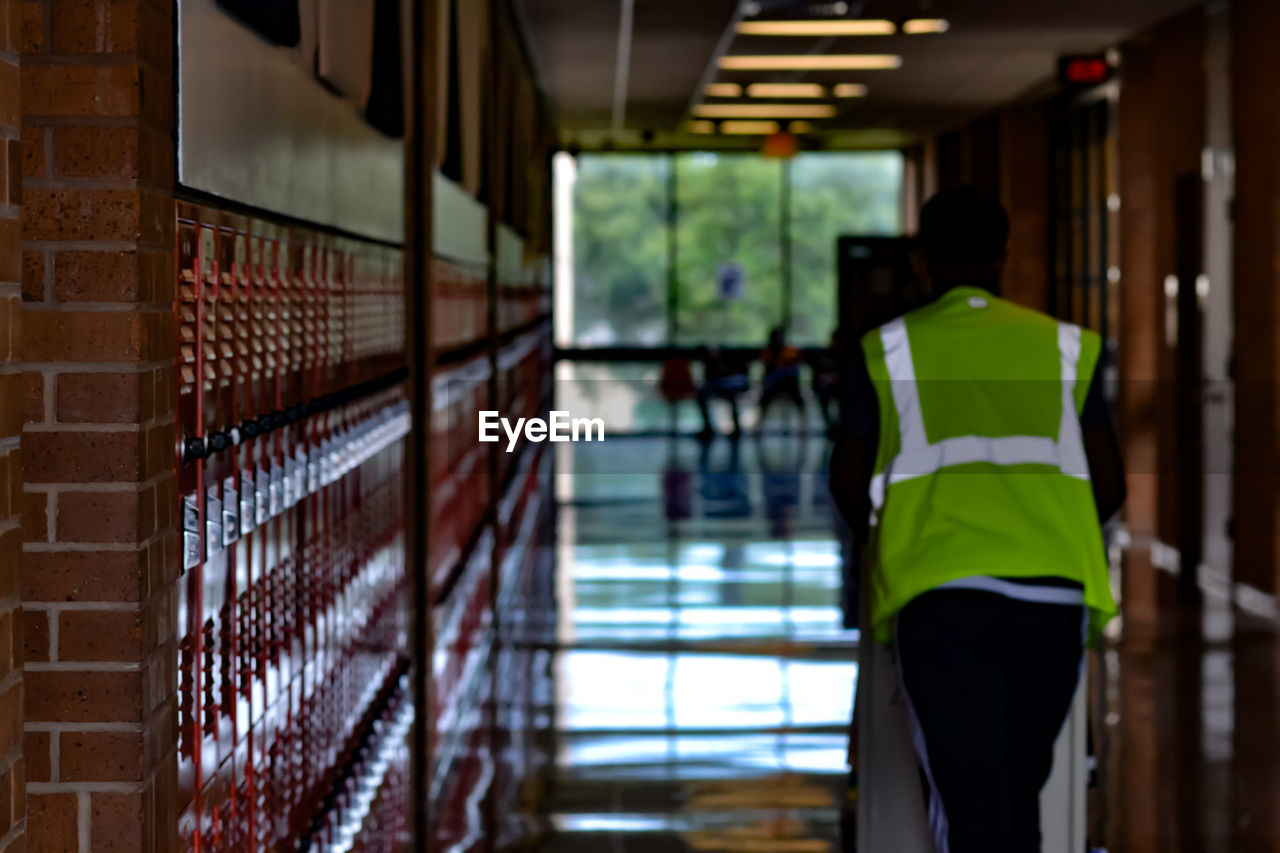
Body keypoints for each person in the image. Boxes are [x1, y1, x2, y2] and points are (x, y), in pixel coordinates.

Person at [828, 186, 1125, 853]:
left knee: (969, 806)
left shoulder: (883, 352)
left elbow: (848, 484)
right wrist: (1037, 525)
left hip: (941, 597)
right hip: (1053, 594)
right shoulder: (1067, 348)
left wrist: (900, 535)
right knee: (1018, 792)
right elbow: (1109, 483)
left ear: (922, 262)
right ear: (1002, 258)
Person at [757, 326, 806, 431]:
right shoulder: (768, 352)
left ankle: (803, 426)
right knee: (764, 400)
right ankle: (759, 427)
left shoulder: (789, 351)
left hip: (788, 383)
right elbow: (766, 365)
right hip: (773, 385)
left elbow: (797, 362)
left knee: (798, 400)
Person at [696, 346, 749, 440]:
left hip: (729, 389)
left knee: (731, 396)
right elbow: (708, 379)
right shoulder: (712, 365)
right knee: (701, 394)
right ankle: (708, 427)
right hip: (721, 388)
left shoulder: (732, 363)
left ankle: (736, 428)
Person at [811, 327, 846, 435]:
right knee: (823, 397)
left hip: (840, 387)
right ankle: (831, 425)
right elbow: (818, 374)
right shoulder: (825, 354)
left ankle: (839, 425)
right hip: (827, 387)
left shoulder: (845, 355)